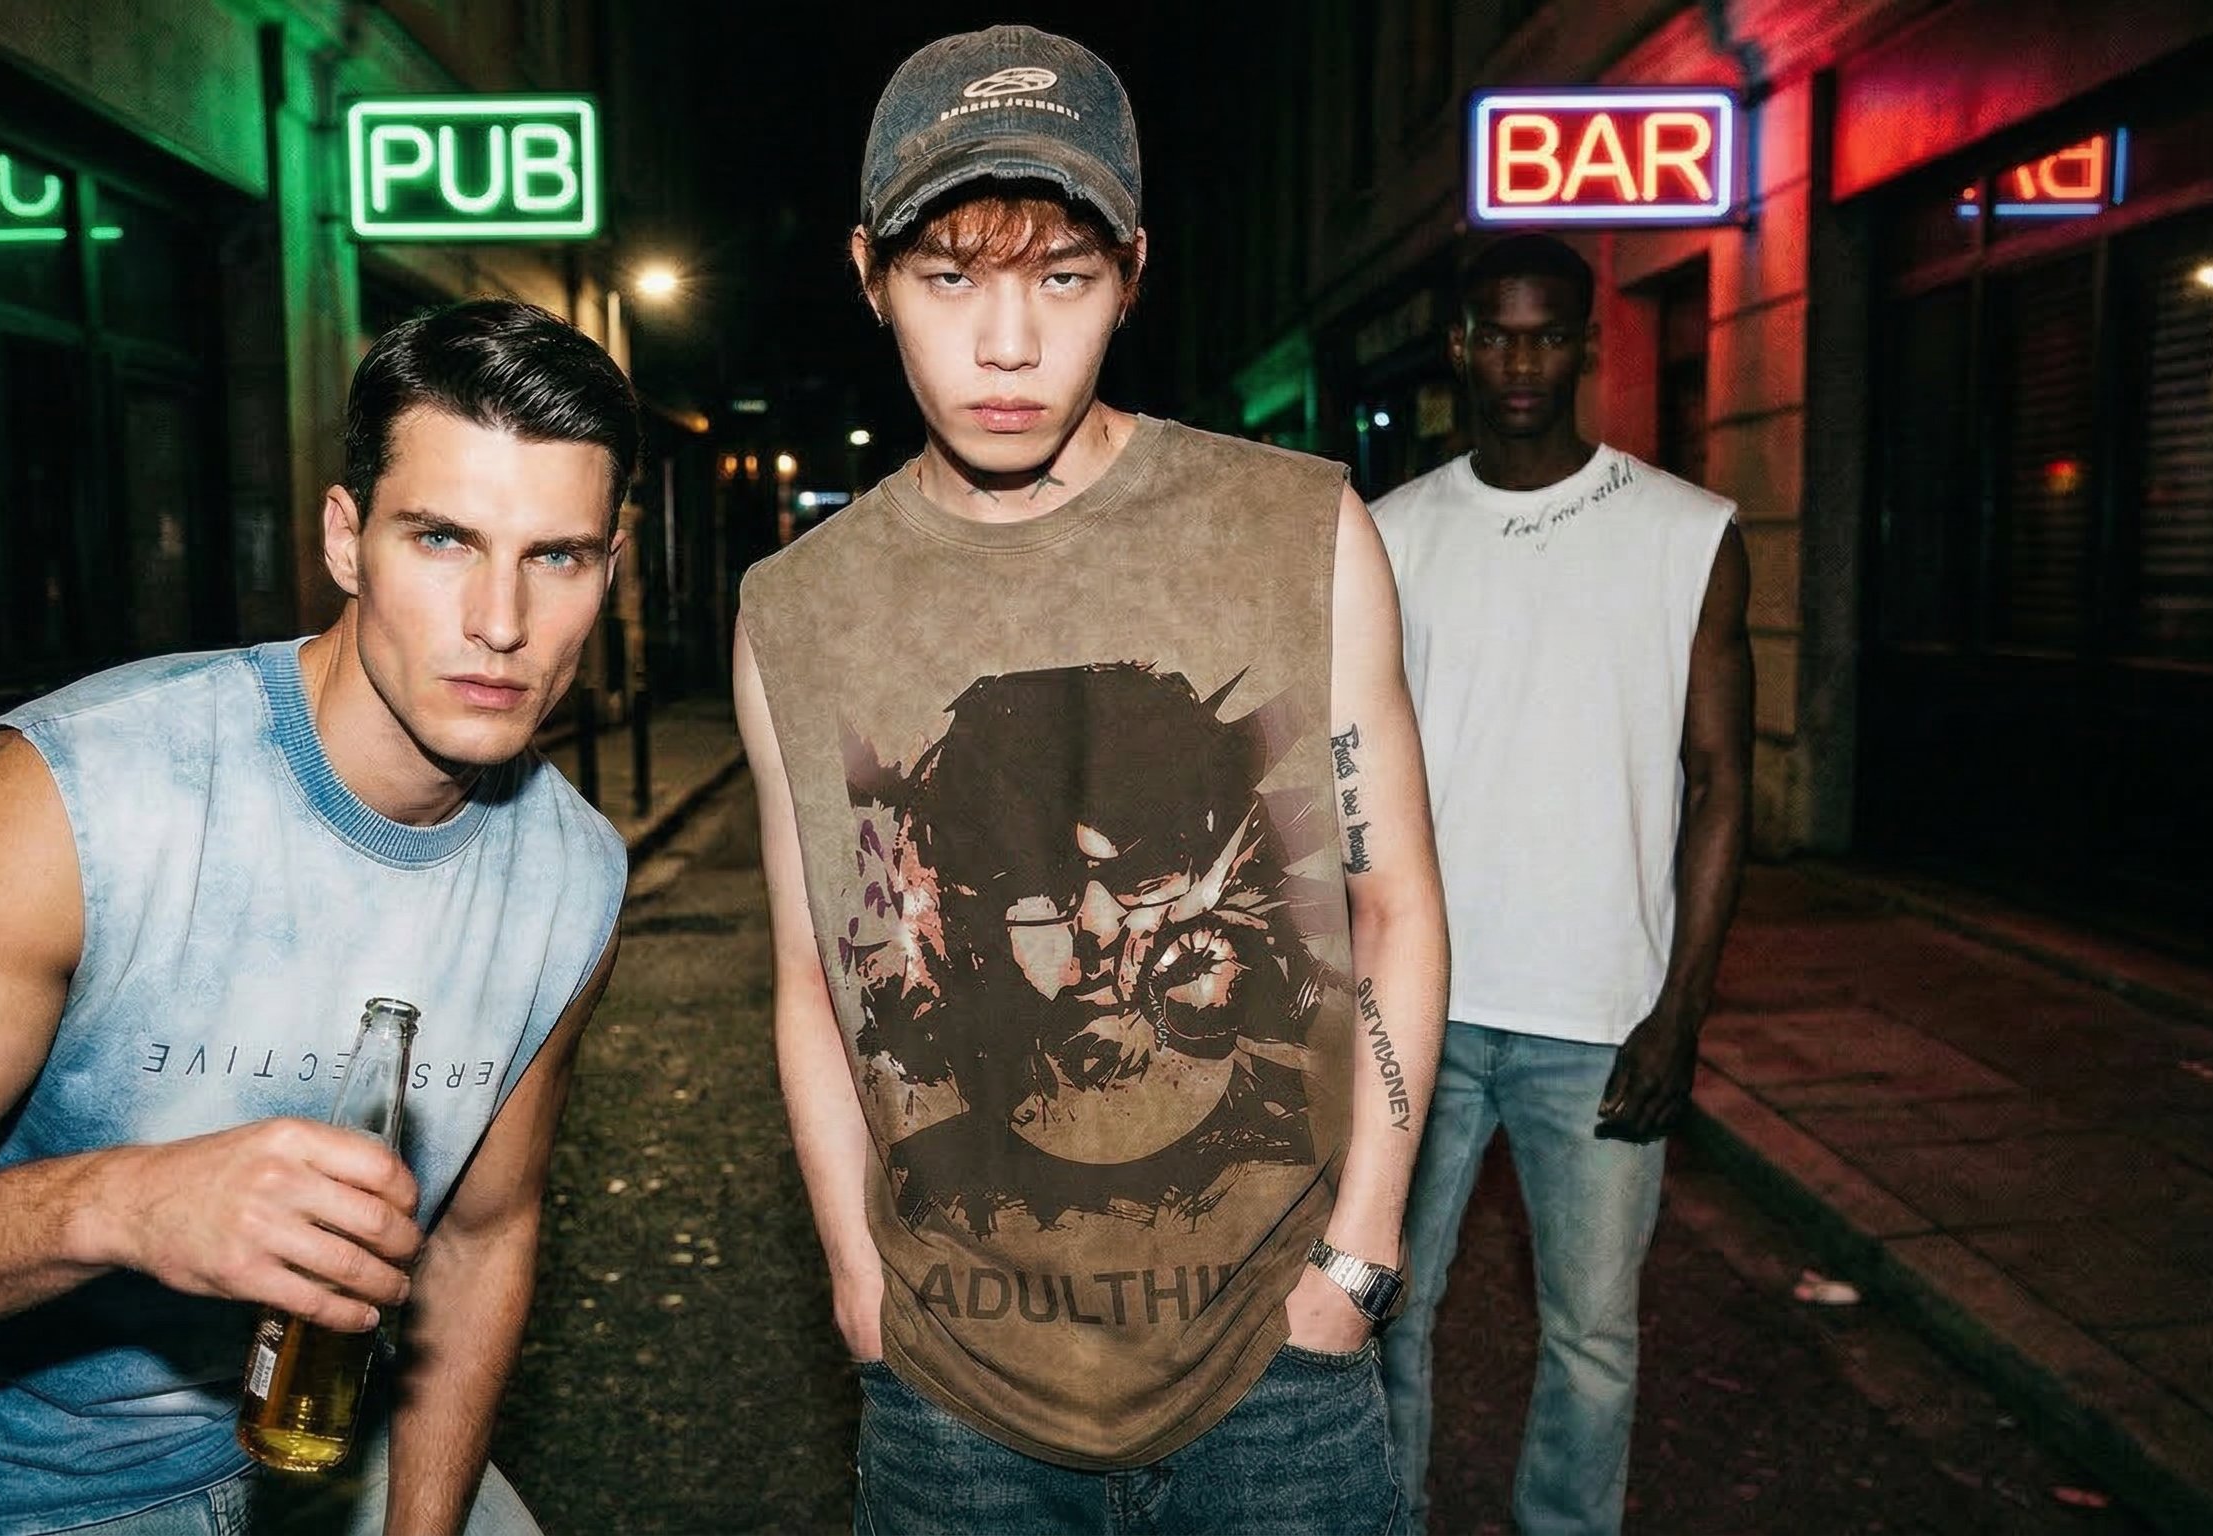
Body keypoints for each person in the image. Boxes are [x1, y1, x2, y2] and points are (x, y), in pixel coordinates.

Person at [0, 298, 639, 1536]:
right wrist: (126, 1205)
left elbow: (481, 1237)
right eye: (441, 539)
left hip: (323, 1448)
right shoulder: (79, 798)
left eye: (556, 557)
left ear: (608, 567)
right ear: (346, 540)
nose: (500, 622)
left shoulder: (570, 875)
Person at [733, 25, 1450, 1535]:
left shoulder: (1298, 529)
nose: (1007, 344)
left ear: (1131, 274)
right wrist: (861, 1290)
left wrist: (1360, 1258)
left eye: (1061, 277)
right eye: (949, 278)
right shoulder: (796, 608)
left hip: (1275, 1366)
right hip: (953, 1387)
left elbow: (1389, 905)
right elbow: (814, 972)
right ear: (869, 275)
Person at [1366, 233, 1754, 1536]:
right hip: (1418, 1010)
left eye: (1547, 334)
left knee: (1591, 1336)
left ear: (1588, 343)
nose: (1521, 360)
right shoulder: (1389, 536)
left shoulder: (1688, 534)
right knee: (1383, 1309)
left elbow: (1721, 782)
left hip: (1599, 1016)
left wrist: (1679, 1011)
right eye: (1497, 334)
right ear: (1460, 346)